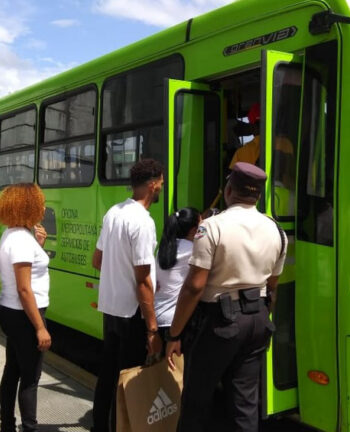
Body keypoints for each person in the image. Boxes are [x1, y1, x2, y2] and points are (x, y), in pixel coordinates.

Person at [166, 162, 287, 432]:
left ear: (229, 190)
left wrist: (174, 335)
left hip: (218, 322)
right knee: (245, 404)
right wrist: (259, 315)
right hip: (257, 320)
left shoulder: (210, 227)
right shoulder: (276, 230)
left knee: (197, 399)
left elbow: (194, 287)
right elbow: (273, 284)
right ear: (257, 195)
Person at [90, 158, 165, 432]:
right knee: (129, 381)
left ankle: (100, 427)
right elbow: (143, 280)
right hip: (132, 313)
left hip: (111, 308)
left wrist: (116, 272)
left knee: (108, 375)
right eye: (160, 183)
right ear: (151, 184)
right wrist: (152, 329)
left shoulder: (114, 212)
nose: (161, 188)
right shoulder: (143, 222)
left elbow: (97, 261)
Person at [0, 183, 51, 432]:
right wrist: (40, 327)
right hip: (25, 314)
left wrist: (37, 244)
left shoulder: (14, 234)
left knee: (13, 371)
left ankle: (7, 424)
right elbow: (24, 288)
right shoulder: (21, 240)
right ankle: (30, 427)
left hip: (12, 311)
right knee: (30, 378)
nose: (44, 206)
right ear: (28, 206)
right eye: (40, 202)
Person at [155, 207, 201, 340]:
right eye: (201, 226)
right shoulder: (191, 249)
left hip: (159, 316)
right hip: (176, 321)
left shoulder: (165, 248)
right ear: (193, 231)